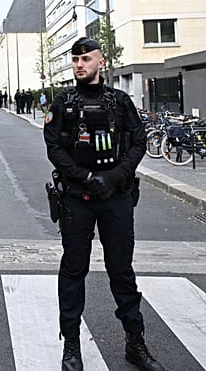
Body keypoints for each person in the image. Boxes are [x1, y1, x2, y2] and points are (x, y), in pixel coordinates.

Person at [43, 38, 163, 371]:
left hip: (116, 198)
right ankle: (71, 347)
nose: (79, 64)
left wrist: (114, 176)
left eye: (85, 59)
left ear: (101, 61)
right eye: (75, 59)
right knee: (73, 270)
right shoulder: (63, 102)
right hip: (77, 199)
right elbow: (54, 147)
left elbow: (138, 142)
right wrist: (83, 175)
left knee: (122, 271)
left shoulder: (120, 101)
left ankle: (135, 343)